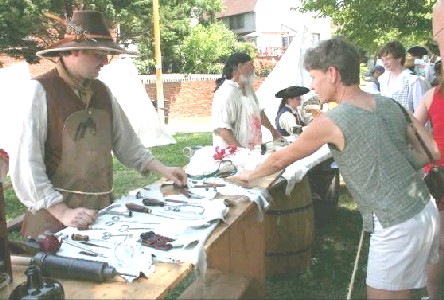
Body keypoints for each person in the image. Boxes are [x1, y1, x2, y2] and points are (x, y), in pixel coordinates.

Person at [236, 37, 440, 299]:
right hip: (425, 211)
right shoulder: (391, 104)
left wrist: (249, 175)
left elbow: (280, 159)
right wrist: (397, 168)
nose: (311, 85)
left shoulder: (332, 120)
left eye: (313, 76)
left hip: (396, 225)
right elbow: (432, 151)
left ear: (332, 73)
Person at [8, 10, 187, 238]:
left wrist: (163, 169)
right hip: (52, 222)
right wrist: (62, 212)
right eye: (99, 55)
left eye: (107, 55)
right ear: (74, 50)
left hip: (99, 214)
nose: (105, 61)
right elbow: (26, 165)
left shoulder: (102, 92)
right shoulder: (40, 91)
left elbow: (127, 143)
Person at [413, 2, 444, 299]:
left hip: (438, 169)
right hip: (438, 171)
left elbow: (412, 128)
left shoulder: (432, 94)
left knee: (438, 242)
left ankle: (434, 297)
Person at [211, 52, 281, 148]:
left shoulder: (248, 88)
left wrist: (273, 131)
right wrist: (242, 152)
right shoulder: (226, 92)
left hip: (252, 151)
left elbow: (258, 111)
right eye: (251, 65)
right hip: (232, 156)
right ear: (240, 67)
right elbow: (221, 128)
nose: (253, 68)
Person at [378, 41, 431, 112]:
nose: (384, 63)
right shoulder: (382, 79)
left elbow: (421, 112)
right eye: (382, 60)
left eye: (388, 59)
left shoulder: (413, 81)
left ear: (399, 58)